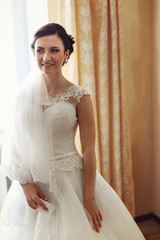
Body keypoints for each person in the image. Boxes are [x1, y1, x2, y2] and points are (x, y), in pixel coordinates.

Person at [0, 23, 145, 240]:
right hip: (33, 186)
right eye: (40, 50)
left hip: (70, 182)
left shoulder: (80, 96)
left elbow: (89, 150)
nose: (46, 57)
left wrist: (89, 196)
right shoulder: (22, 96)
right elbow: (15, 145)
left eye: (54, 50)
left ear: (66, 54)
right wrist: (26, 184)